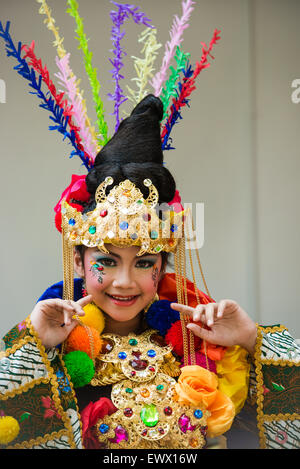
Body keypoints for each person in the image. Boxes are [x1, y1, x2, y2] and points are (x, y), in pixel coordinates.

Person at [0, 2, 299, 450]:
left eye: (142, 261)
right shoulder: (47, 349)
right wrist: (32, 346)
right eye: (106, 260)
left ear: (162, 266)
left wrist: (252, 339)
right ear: (78, 261)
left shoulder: (202, 347)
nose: (124, 282)